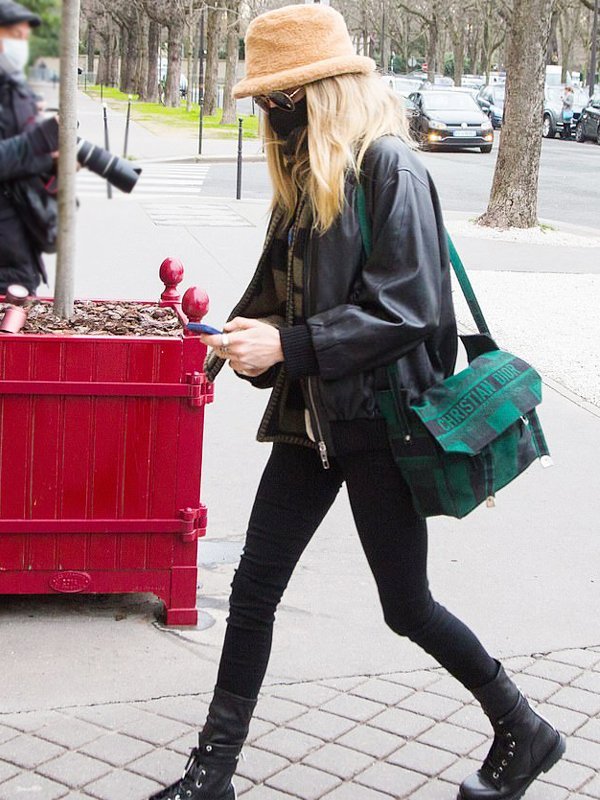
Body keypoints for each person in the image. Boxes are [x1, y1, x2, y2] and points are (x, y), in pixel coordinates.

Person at [149, 6, 566, 800]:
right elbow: (281, 300)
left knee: (406, 607)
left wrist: (291, 347)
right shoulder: (306, 179)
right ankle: (214, 771)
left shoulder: (390, 169)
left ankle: (523, 727)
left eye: (278, 96)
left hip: (384, 426)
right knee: (253, 588)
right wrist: (246, 345)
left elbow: (405, 308)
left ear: (320, 88)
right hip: (313, 423)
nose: (269, 112)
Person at [0, 0, 56, 294]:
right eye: (15, 37)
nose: (21, 46)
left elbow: (26, 159)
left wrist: (56, 163)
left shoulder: (16, 89)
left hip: (20, 256)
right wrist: (39, 143)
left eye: (24, 38)